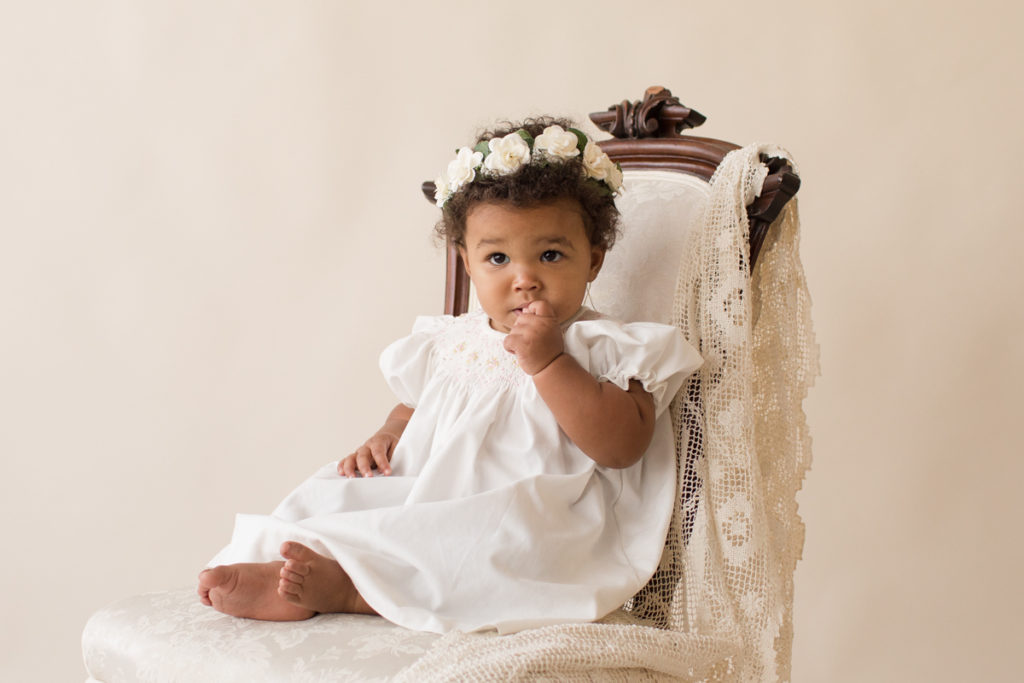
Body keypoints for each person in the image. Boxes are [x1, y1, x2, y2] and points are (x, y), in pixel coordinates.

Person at [197, 118, 704, 634]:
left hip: (537, 512)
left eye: (550, 255)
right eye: (498, 258)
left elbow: (621, 447)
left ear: (593, 260)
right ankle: (301, 559)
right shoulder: (451, 339)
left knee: (484, 541)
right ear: (467, 262)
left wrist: (552, 363)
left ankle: (351, 588)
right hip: (434, 490)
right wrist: (389, 434)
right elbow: (418, 403)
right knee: (341, 496)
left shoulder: (609, 347)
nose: (524, 278)